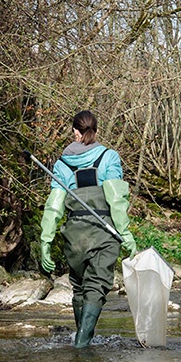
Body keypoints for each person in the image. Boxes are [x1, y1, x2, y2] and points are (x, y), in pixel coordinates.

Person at [39, 110, 137, 348]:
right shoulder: (109, 158)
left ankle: (81, 341)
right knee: (96, 286)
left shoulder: (61, 165)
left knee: (80, 288)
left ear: (75, 131)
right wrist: (126, 235)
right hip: (103, 233)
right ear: (96, 131)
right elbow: (116, 201)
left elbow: (54, 207)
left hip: (74, 234)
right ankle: (81, 344)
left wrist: (46, 241)